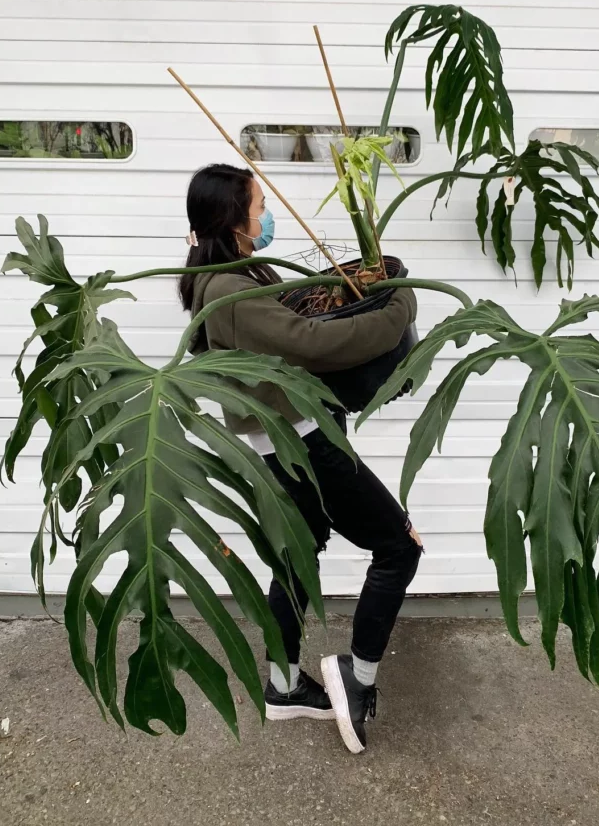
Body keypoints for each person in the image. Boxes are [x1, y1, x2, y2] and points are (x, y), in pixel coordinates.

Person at [180, 163, 422, 754]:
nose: (265, 217)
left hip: (281, 444)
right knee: (398, 547)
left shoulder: (230, 277)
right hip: (305, 445)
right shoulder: (231, 291)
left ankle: (285, 688)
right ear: (234, 221)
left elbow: (296, 319)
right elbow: (315, 343)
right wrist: (398, 308)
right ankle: (355, 679)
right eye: (259, 207)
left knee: (296, 560)